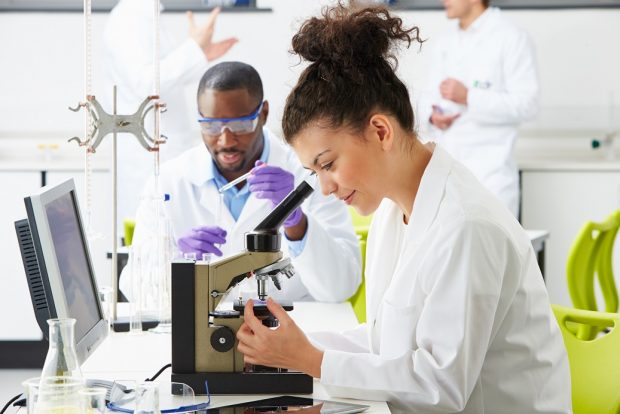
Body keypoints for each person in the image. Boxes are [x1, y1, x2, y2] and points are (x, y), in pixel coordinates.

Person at [236, 5, 571, 413]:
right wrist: (293, 353)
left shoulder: (465, 225)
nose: (324, 187)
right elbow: (385, 344)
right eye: (313, 171)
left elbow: (439, 389)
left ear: (380, 131)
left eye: (328, 164)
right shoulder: (393, 210)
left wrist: (309, 360)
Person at [126, 61, 361, 303]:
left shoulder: (309, 174)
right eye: (211, 126)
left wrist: (297, 221)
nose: (226, 140)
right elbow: (135, 291)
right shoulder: (168, 182)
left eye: (240, 125)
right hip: (203, 333)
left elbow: (341, 287)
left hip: (289, 330)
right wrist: (177, 262)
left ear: (264, 114)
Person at [103, 0, 238, 235]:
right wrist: (193, 49)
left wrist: (200, 56)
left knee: (171, 240)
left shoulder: (149, 14)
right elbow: (145, 83)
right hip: (146, 158)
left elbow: (165, 77)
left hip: (162, 152)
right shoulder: (129, 18)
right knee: (149, 246)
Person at [425, 0, 539, 217]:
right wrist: (432, 117)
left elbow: (528, 105)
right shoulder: (445, 40)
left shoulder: (511, 37)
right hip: (447, 178)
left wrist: (469, 96)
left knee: (491, 248)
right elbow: (431, 96)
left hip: (492, 179)